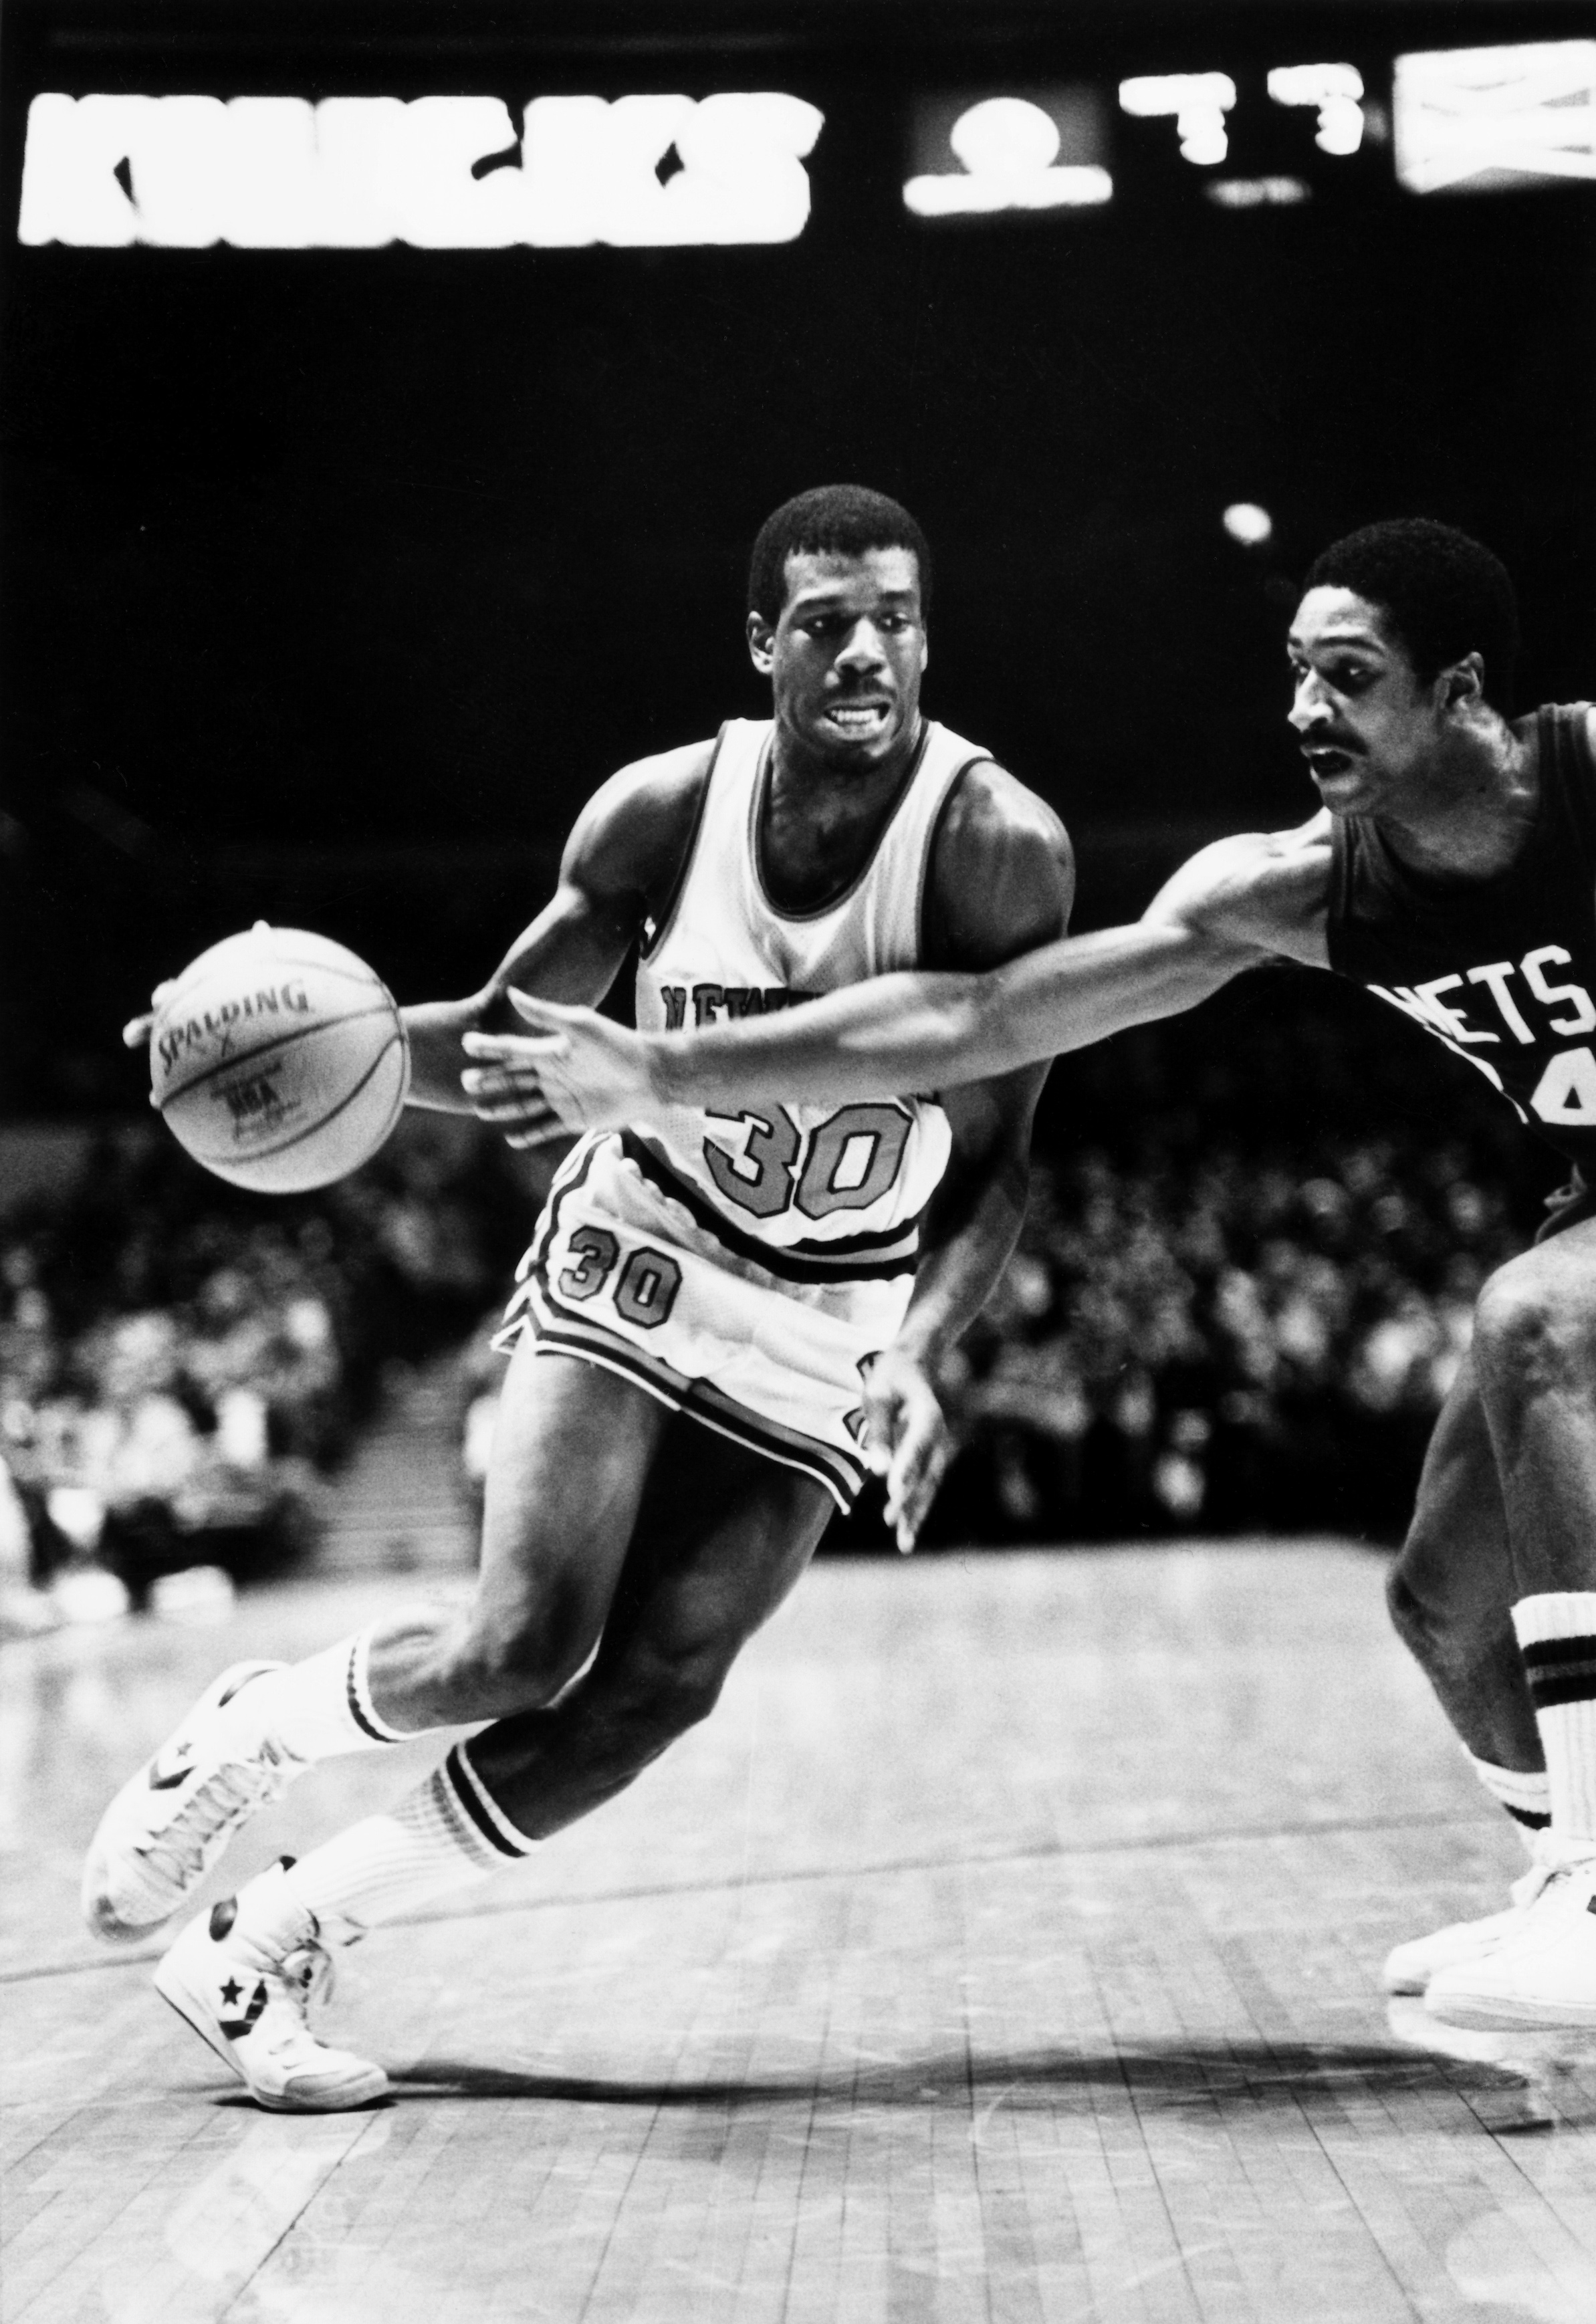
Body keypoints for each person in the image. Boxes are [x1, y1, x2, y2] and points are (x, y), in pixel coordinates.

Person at [475, 518, 1596, 2035]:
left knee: (1528, 1318)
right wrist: (663, 1064)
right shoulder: (1292, 887)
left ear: (1465, 690)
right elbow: (974, 1021)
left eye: (1350, 675)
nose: (1304, 711)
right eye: (1295, 674)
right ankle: (1557, 1882)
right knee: (1446, 1607)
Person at [90, 483, 1074, 2111]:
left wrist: (918, 1353)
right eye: (827, 620)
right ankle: (258, 1726)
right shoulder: (661, 817)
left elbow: (1000, 1169)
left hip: (831, 1314)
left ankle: (263, 1941)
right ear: (763, 642)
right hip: (645, 1244)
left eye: (897, 616)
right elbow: (499, 1043)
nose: (867, 650)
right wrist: (237, 1044)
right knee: (519, 1643)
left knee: (661, 1690)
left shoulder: (996, 849)